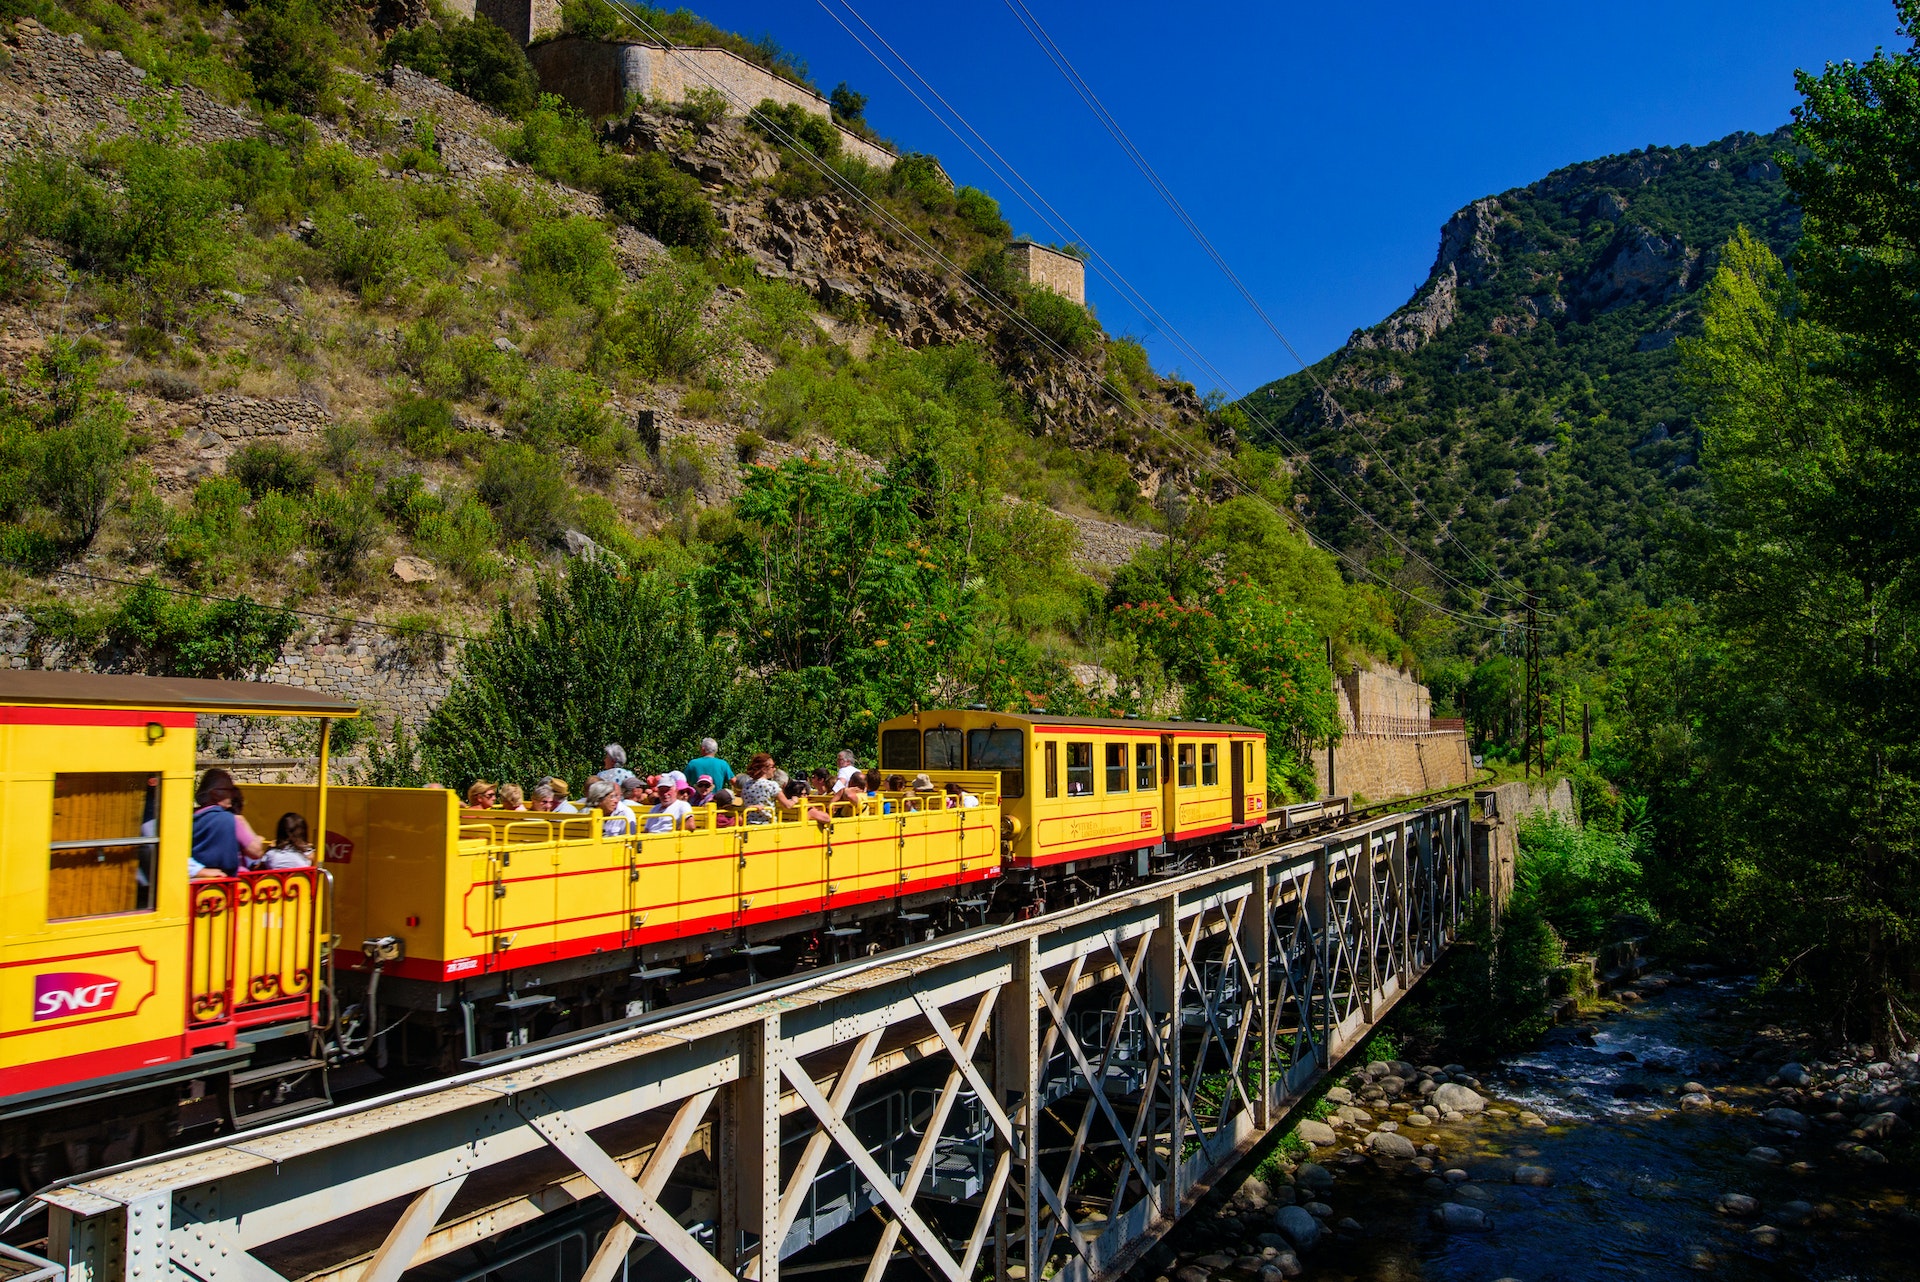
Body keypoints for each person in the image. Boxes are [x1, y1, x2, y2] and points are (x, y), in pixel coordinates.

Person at [190, 769, 265, 878]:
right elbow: (256, 852)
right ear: (214, 793)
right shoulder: (230, 820)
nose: (232, 794)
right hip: (227, 883)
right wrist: (242, 821)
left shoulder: (191, 817)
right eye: (229, 790)